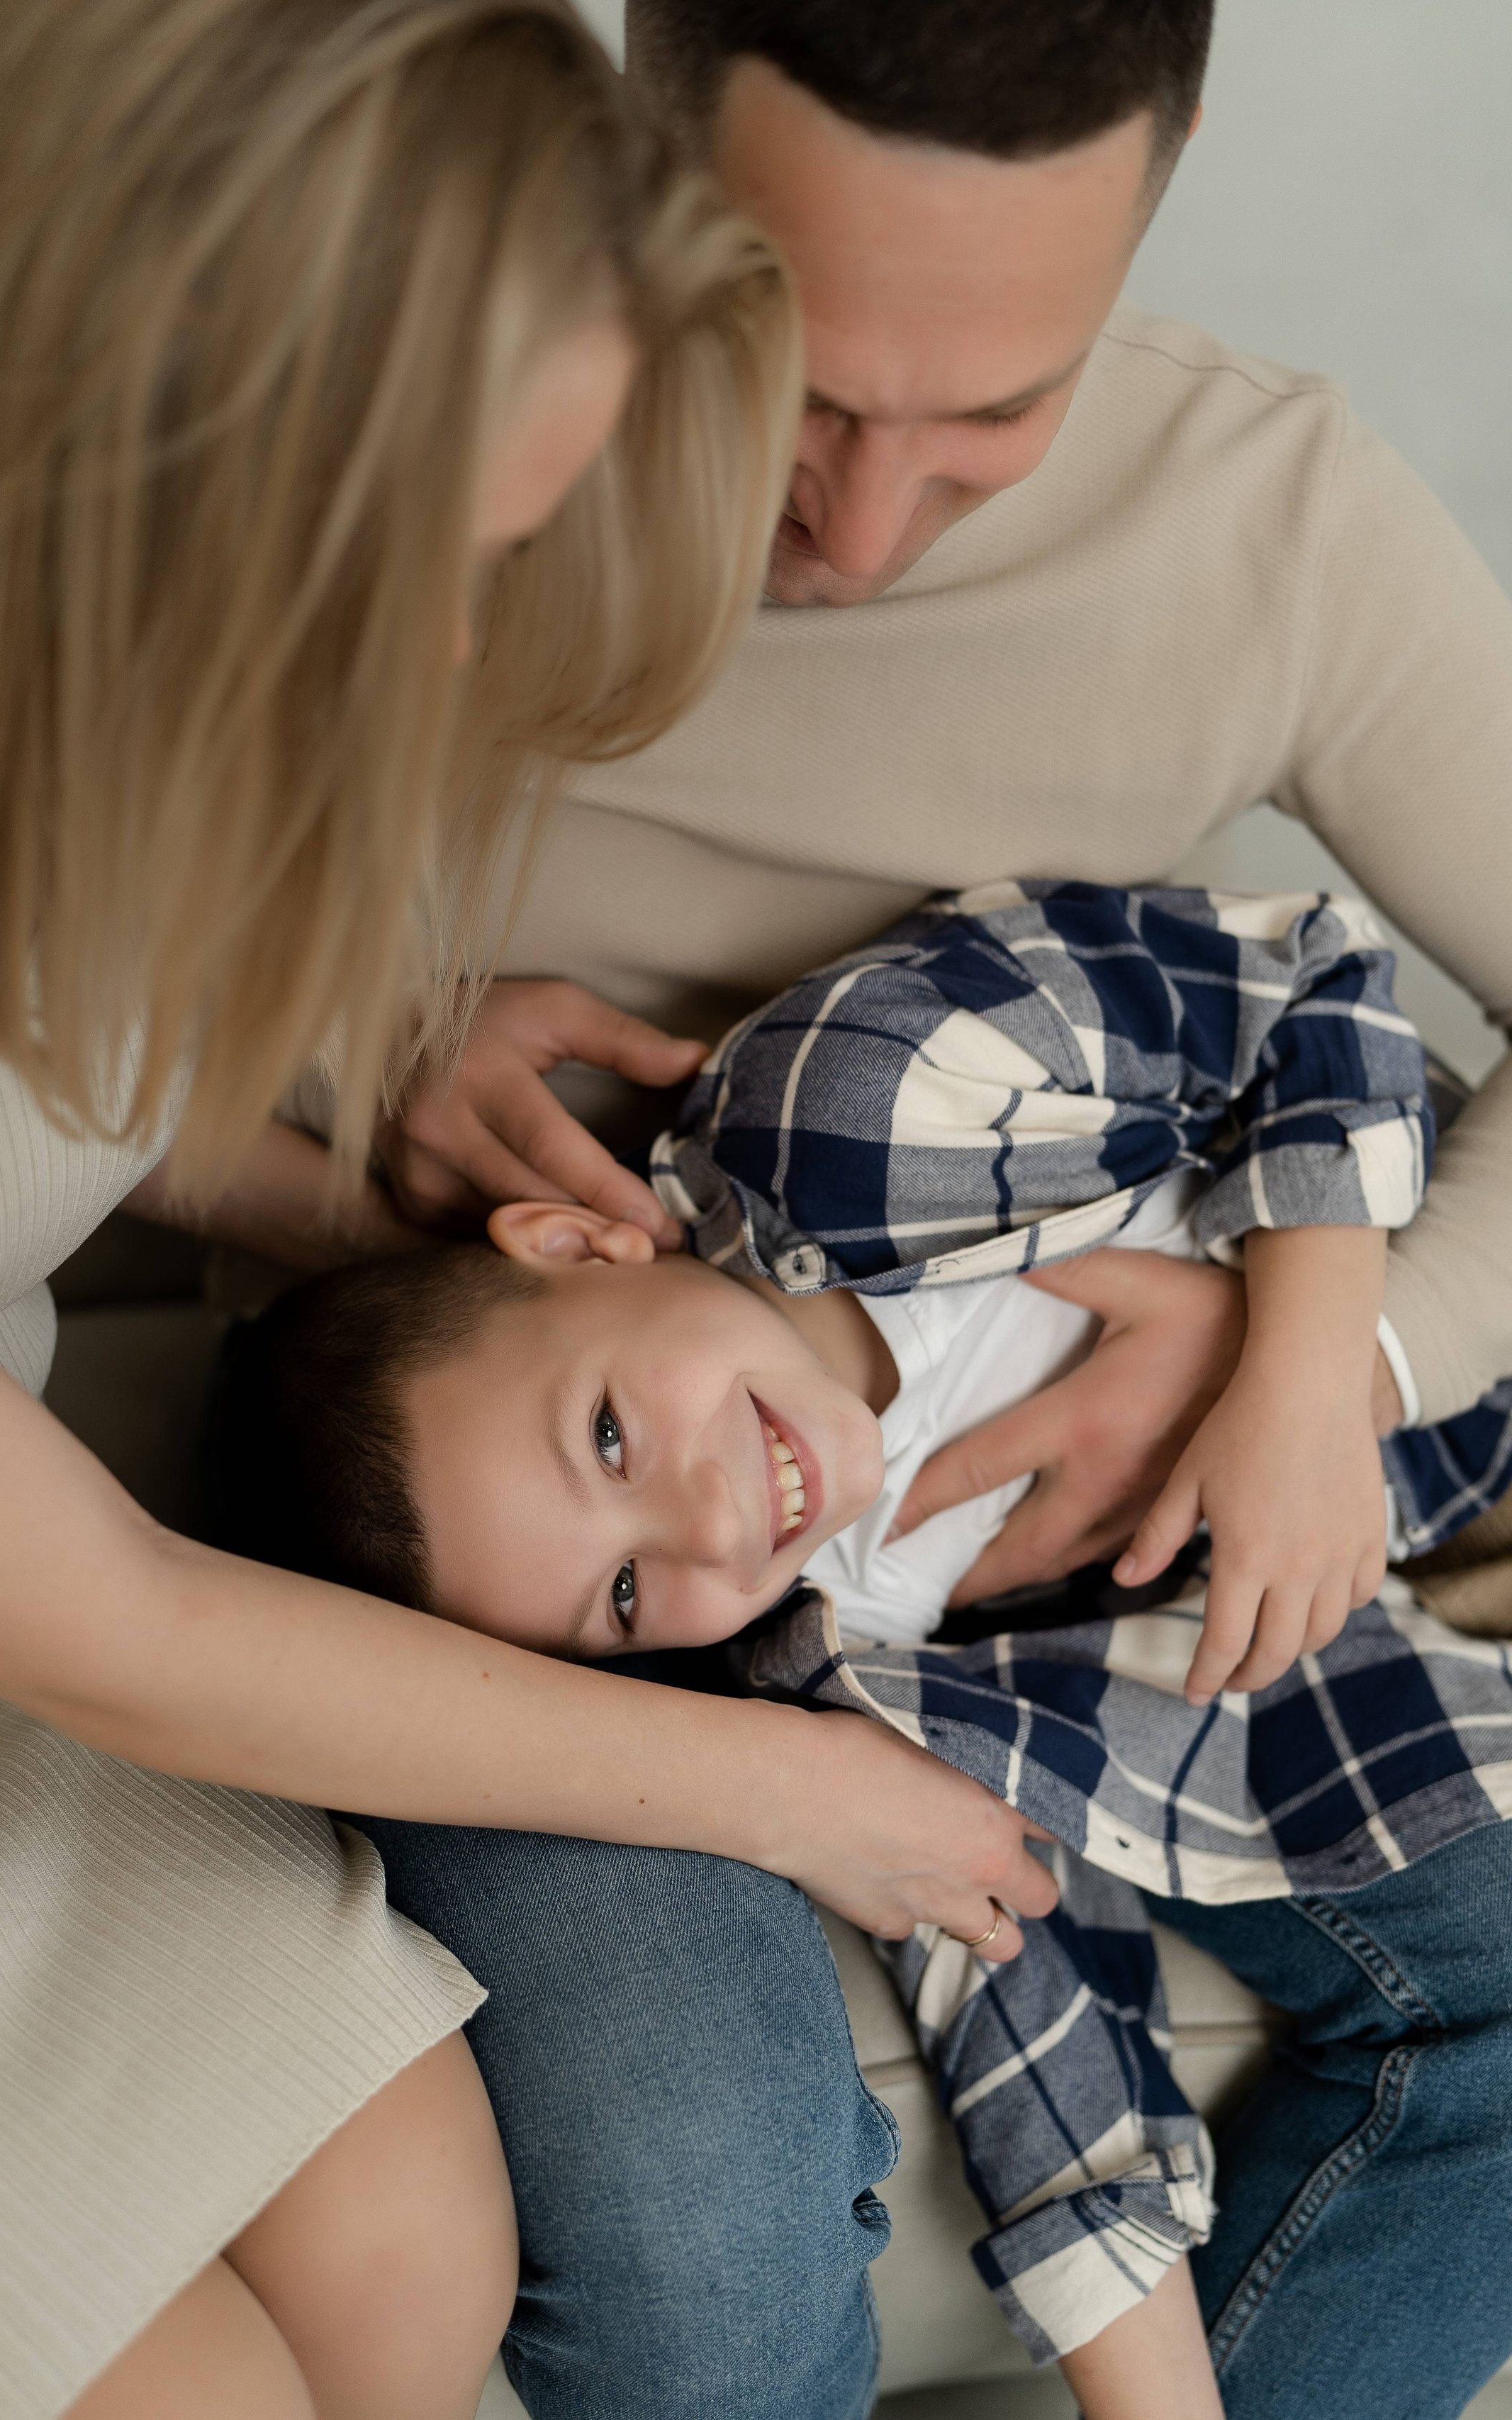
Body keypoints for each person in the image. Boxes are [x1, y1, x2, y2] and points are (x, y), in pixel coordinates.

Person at [0, 2, 902, 2414]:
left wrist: (380, 1203)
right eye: (451, 550)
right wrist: (802, 1787)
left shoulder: (22, 699)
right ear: (163, 417)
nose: (453, 645)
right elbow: (121, 1617)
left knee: (415, 2261)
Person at [358, 6, 1512, 2416]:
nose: (865, 538)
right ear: (637, 132)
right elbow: (37, 1021)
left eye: (996, 418)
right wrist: (351, 1075)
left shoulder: (1273, 521)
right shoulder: (406, 433)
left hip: (1058, 1560)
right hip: (480, 1530)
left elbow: (1319, 1002)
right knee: (700, 2229)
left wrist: (1333, 1348)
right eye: (789, 380)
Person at [212, 877, 1508, 2420]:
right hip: (1362, 1560)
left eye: (612, 1435)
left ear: (579, 1245)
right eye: (625, 1600)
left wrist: (1309, 1378)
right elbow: (1019, 1950)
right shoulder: (834, 1649)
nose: (704, 1527)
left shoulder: (861, 1102)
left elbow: (1307, 974)